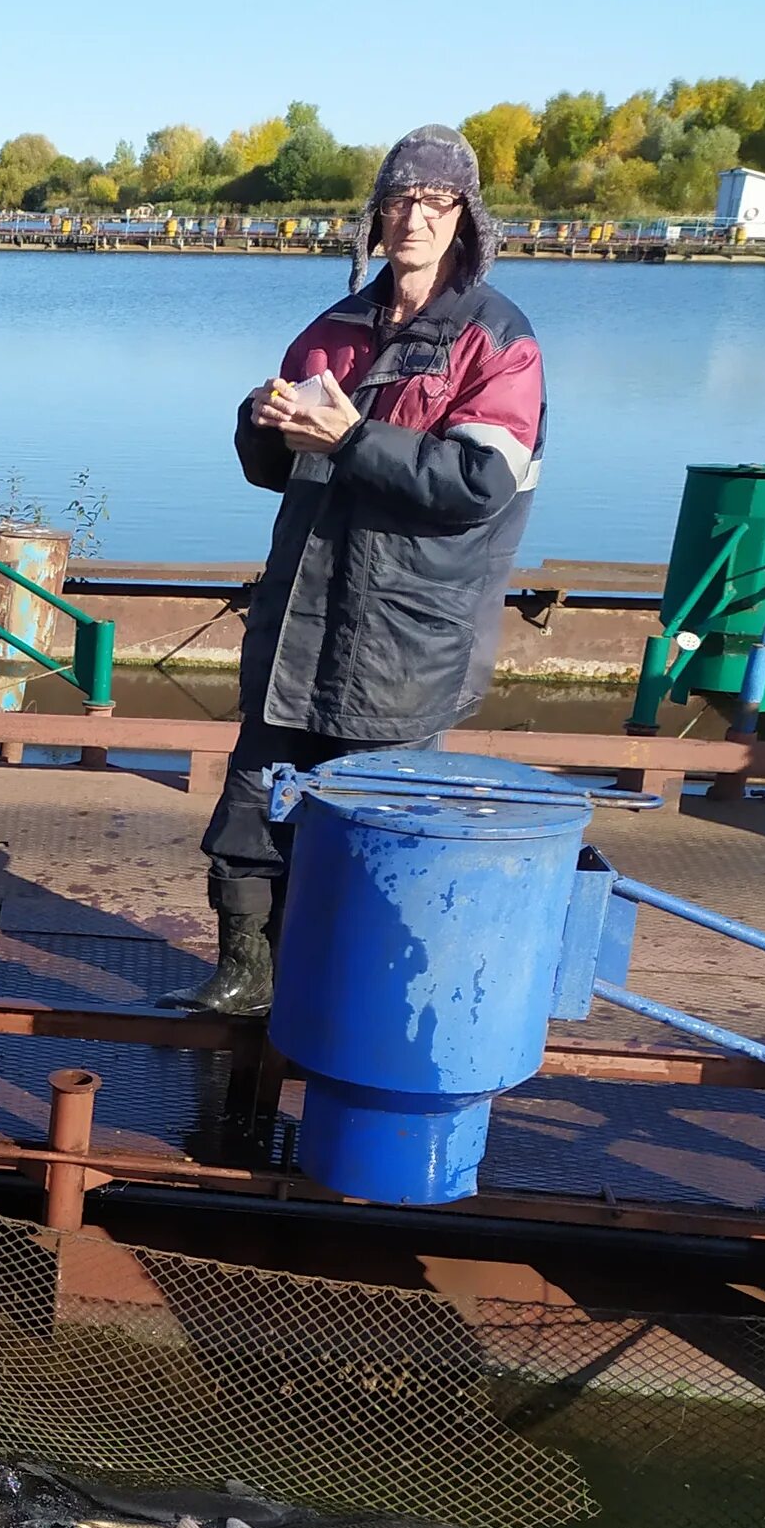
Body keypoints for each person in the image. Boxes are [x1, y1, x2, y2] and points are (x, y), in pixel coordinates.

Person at [174, 124, 546, 1016]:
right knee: (254, 803)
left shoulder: (499, 342)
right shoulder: (331, 329)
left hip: (407, 631)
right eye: (399, 200)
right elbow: (272, 472)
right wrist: (259, 421)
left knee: (376, 821)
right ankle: (244, 974)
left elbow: (477, 483)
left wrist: (352, 437)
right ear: (375, 215)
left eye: (436, 202)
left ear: (465, 218)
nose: (414, 219)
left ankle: (350, 989)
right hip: (301, 609)